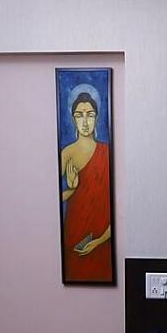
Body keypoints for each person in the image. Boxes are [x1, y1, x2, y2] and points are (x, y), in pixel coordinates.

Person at [60, 91, 112, 282]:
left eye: (89, 115)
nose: (84, 122)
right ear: (73, 119)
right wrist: (72, 189)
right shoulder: (67, 153)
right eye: (79, 115)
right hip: (75, 232)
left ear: (96, 118)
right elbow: (51, 200)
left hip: (102, 235)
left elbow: (117, 203)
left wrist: (100, 240)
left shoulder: (107, 152)